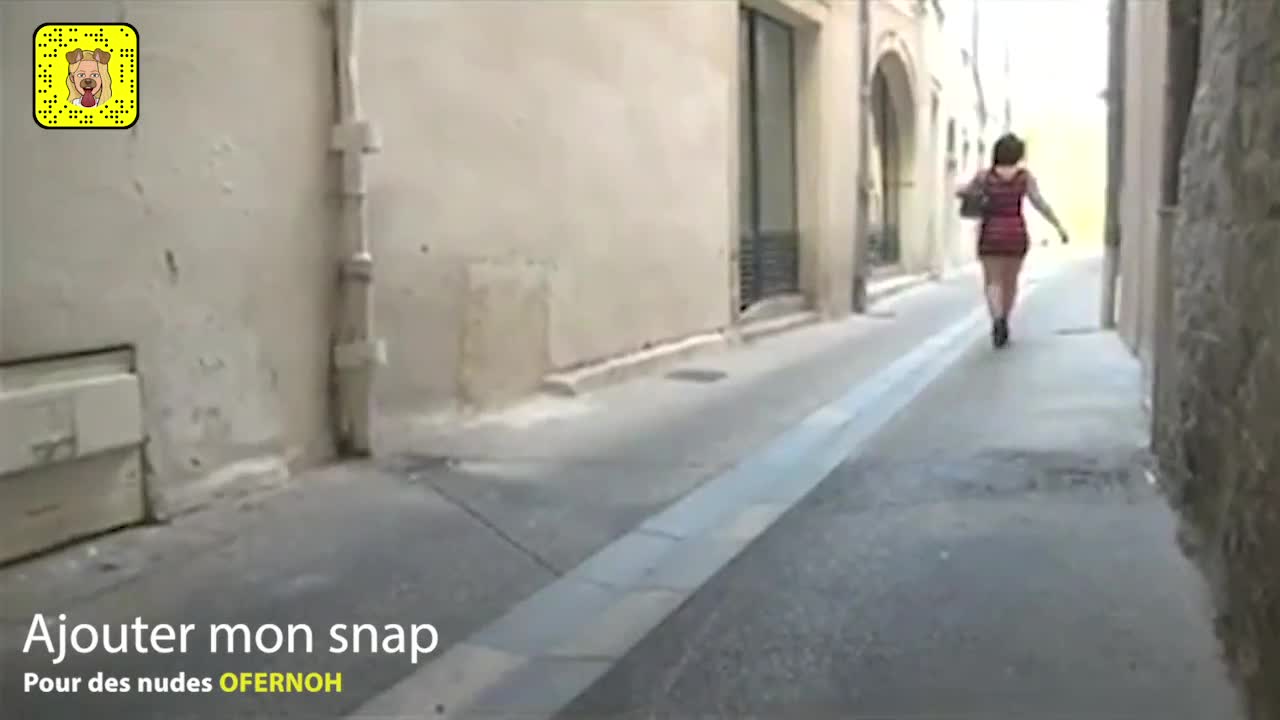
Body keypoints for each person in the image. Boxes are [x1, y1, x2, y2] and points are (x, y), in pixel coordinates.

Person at [959, 133, 1068, 348]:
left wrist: (962, 192)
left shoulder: (984, 177)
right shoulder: (1024, 178)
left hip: (990, 233)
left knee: (992, 281)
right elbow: (1039, 202)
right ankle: (1005, 319)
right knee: (1011, 281)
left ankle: (997, 319)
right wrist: (1058, 226)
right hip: (1015, 233)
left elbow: (967, 193)